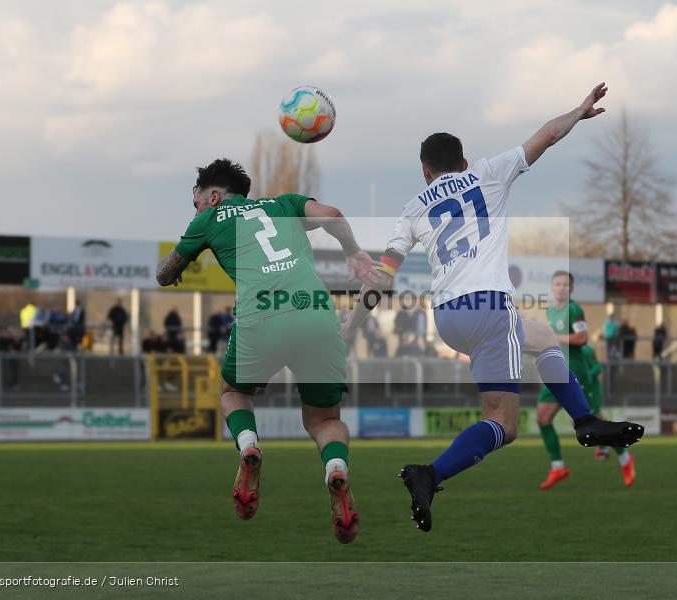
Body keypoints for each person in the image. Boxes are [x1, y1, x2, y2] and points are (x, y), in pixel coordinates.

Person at [341, 83, 643, 532]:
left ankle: (584, 421)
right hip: (488, 308)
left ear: (426, 172)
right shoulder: (486, 173)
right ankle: (431, 474)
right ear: (462, 163)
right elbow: (545, 135)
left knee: (540, 336)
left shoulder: (411, 209)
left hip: (447, 316)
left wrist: (349, 329)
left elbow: (382, 278)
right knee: (504, 423)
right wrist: (578, 112)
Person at [156, 158, 380, 543]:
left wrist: (175, 268)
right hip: (316, 314)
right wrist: (354, 253)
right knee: (324, 421)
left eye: (196, 202)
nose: (195, 209)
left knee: (234, 393)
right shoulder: (284, 205)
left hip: (261, 316)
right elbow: (333, 215)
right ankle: (335, 468)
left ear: (212, 196)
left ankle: (248, 446)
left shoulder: (207, 219)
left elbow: (163, 272)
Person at [537, 271, 634, 489]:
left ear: (571, 289)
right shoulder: (551, 311)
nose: (561, 288)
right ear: (552, 288)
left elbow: (582, 338)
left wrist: (555, 337)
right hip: (555, 372)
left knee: (593, 427)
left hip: (576, 373)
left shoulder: (574, 309)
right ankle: (558, 466)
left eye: (565, 285)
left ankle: (625, 459)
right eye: (557, 284)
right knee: (542, 419)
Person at [585, 344, 635, 486]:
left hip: (590, 391)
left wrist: (586, 374)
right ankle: (604, 447)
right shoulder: (562, 348)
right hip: (576, 390)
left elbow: (597, 367)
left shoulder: (585, 350)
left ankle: (624, 458)